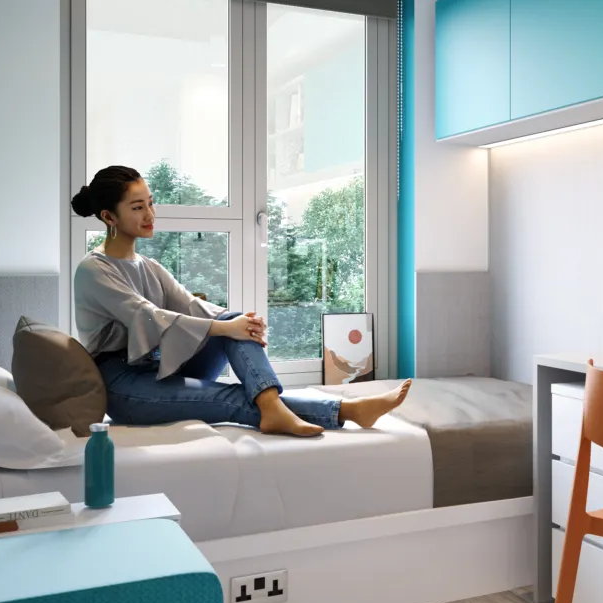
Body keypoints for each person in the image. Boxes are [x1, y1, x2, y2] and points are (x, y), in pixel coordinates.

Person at [69, 165, 409, 436]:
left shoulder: (148, 265)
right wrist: (225, 328)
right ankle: (345, 410)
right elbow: (147, 316)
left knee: (232, 320)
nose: (150, 214)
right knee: (228, 393)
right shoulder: (93, 269)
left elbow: (190, 305)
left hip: (158, 368)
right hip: (124, 386)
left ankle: (274, 406)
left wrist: (239, 324)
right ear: (109, 217)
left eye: (151, 203)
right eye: (137, 207)